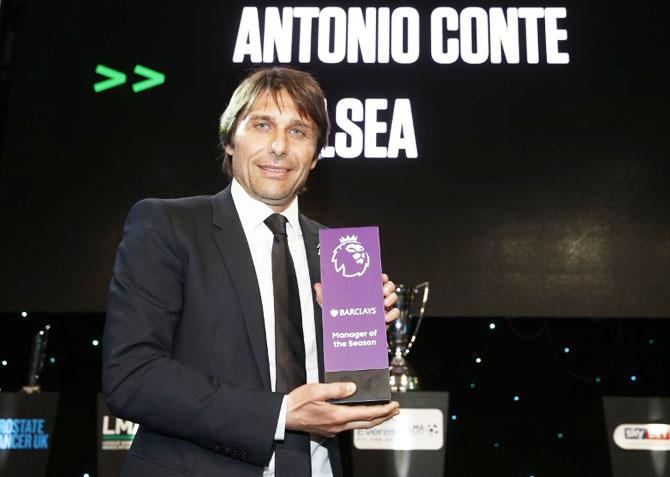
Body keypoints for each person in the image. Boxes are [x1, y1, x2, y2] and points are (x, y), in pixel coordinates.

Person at [102, 67, 400, 477]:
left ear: (314, 156)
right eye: (262, 125)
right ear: (230, 140)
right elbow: (132, 375)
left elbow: (337, 391)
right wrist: (280, 414)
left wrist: (363, 333)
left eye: (298, 131)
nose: (279, 147)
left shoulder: (339, 252)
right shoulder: (167, 224)